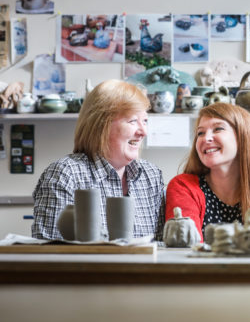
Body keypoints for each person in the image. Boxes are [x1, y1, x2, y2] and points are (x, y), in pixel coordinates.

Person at [32, 80, 166, 240]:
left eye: (145, 121)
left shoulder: (151, 175)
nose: (143, 131)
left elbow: (161, 247)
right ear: (101, 125)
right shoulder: (65, 174)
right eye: (133, 121)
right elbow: (47, 254)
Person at [165, 102, 250, 241]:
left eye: (218, 129)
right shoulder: (183, 186)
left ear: (243, 137)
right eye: (200, 133)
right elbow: (186, 250)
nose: (206, 138)